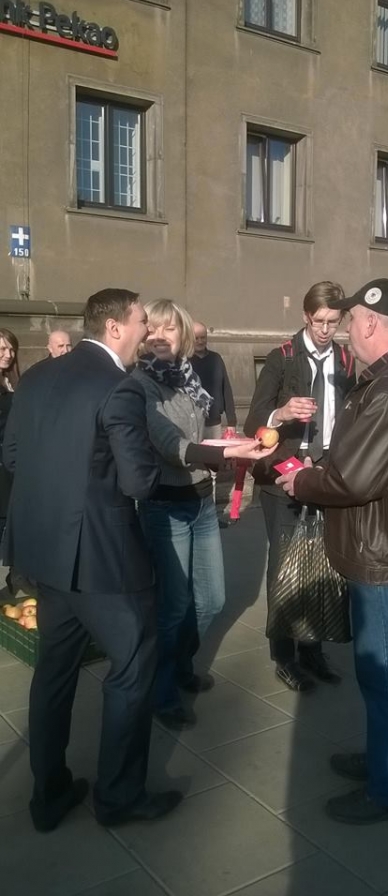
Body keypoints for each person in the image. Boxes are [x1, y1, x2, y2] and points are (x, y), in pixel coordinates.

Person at [2, 288, 182, 831]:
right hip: (105, 560)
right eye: (142, 322)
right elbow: (138, 481)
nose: (148, 332)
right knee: (132, 667)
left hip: (44, 552)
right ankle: (119, 797)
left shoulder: (37, 376)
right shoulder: (120, 386)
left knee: (54, 672)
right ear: (114, 328)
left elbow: (12, 455)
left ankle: (48, 794)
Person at [278, 278, 388, 824]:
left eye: (352, 321)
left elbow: (354, 480)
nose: (347, 331)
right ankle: (385, 761)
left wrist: (303, 480)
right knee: (382, 676)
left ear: (372, 322)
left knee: (385, 679)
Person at [133, 300, 276, 730]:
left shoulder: (189, 377)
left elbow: (207, 432)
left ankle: (179, 663)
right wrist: (225, 454)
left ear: (183, 336)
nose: (160, 336)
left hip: (200, 500)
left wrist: (236, 445)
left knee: (211, 599)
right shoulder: (140, 384)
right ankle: (162, 691)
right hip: (165, 505)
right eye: (152, 329)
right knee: (174, 605)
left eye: (169, 329)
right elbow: (169, 443)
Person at [243, 281, 355, 692]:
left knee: (320, 567)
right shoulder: (282, 357)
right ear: (306, 316)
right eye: (319, 321)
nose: (325, 330)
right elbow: (253, 420)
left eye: (333, 322)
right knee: (284, 568)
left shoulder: (345, 359)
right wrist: (281, 413)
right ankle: (284, 656)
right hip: (282, 477)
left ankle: (312, 650)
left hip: (323, 475)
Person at [192, 322, 237, 439]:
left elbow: (226, 389)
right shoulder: (184, 362)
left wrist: (231, 421)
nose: (200, 341)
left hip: (214, 424)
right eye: (196, 338)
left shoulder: (216, 358)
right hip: (192, 424)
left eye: (203, 337)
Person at [0, 328, 20, 548]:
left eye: (12, 350)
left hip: (13, 462)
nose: (8, 354)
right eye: (3, 349)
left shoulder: (14, 382)